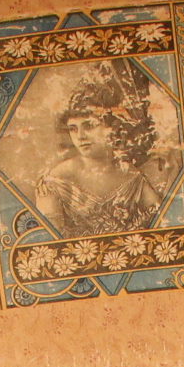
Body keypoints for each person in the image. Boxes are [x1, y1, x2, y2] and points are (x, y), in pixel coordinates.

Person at [32, 61, 168, 238]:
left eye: (89, 125)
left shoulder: (131, 175)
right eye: (73, 128)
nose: (80, 136)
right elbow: (48, 240)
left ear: (110, 127)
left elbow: (163, 222)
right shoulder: (57, 179)